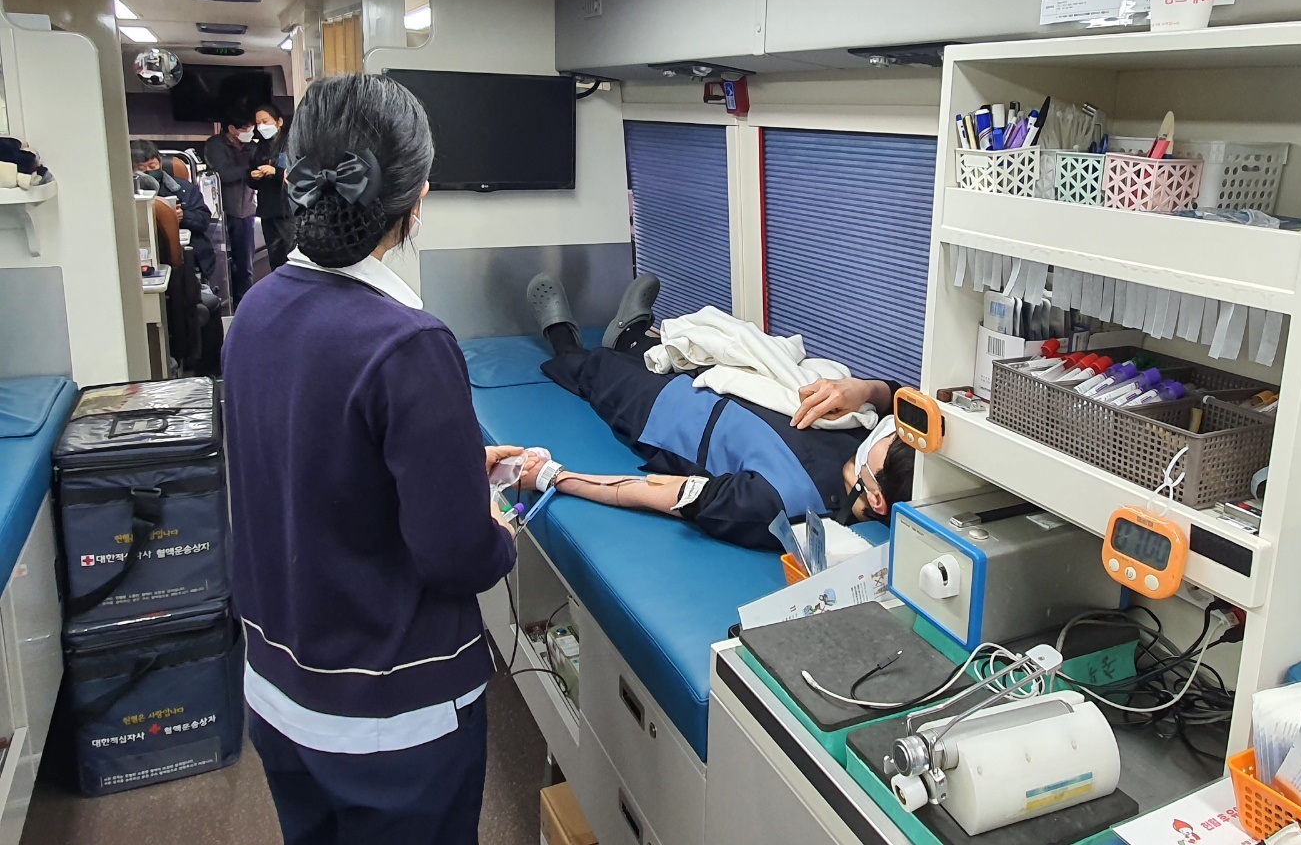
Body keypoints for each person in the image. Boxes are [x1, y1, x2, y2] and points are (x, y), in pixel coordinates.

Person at [223, 74, 534, 844]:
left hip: (278, 694)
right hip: (392, 721)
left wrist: (449, 466)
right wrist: (498, 528)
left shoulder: (255, 309)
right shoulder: (408, 343)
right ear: (417, 197)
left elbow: (305, 462)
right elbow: (456, 556)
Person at [524, 272, 915, 549]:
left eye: (889, 441)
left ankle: (562, 340)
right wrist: (865, 389)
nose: (888, 430)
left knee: (601, 371)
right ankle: (630, 334)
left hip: (669, 415)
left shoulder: (782, 504)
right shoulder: (864, 433)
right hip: (730, 380)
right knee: (668, 352)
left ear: (876, 498)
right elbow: (901, 397)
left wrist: (555, 477)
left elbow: (661, 494)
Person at [130, 140, 217, 284]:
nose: (148, 172)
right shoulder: (128, 195)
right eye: (141, 168)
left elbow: (203, 220)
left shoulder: (184, 189)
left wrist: (184, 216)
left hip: (188, 253)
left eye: (152, 166)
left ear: (160, 163)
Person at [203, 116, 259, 304]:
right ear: (232, 129)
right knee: (222, 265)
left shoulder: (252, 146)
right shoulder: (215, 145)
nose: (250, 132)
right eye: (245, 128)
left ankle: (245, 304)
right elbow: (223, 173)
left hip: (246, 210)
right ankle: (225, 303)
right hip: (221, 212)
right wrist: (249, 169)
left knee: (245, 265)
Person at [251, 102, 295, 271]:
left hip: (287, 209)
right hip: (267, 209)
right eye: (258, 123)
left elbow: (296, 173)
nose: (261, 126)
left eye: (265, 121)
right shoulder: (260, 147)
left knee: (291, 254)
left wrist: (275, 172)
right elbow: (249, 174)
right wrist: (254, 176)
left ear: (279, 121)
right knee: (274, 257)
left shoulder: (291, 143)